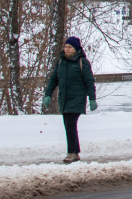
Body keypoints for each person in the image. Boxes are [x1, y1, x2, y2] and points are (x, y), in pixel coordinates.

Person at [42, 36, 97, 164]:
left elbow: (89, 81)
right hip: (64, 99)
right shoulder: (61, 62)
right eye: (65, 47)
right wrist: (48, 94)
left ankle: (72, 153)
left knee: (70, 124)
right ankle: (75, 152)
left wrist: (92, 98)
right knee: (68, 125)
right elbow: (53, 79)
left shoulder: (82, 62)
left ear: (75, 48)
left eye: (69, 47)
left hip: (76, 98)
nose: (66, 49)